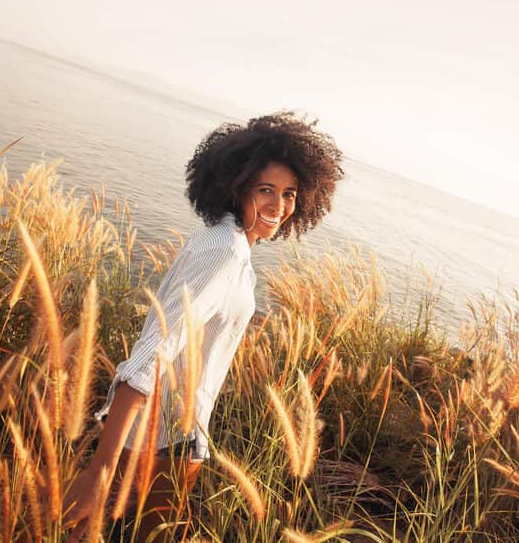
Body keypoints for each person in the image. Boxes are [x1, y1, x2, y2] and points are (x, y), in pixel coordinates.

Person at [63, 112, 343, 539]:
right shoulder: (226, 252)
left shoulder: (224, 238)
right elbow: (151, 356)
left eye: (289, 194)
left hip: (173, 431)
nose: (278, 206)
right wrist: (98, 471)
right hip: (162, 437)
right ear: (236, 185)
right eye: (265, 190)